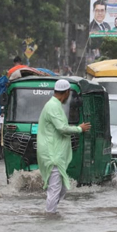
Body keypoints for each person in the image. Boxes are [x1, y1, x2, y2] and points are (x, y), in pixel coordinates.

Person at [36, 80, 91, 215]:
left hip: (55, 153)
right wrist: (79, 128)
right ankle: (49, 215)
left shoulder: (54, 105)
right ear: (66, 92)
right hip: (52, 154)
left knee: (62, 189)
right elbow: (61, 128)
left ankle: (52, 211)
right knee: (54, 189)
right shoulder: (53, 106)